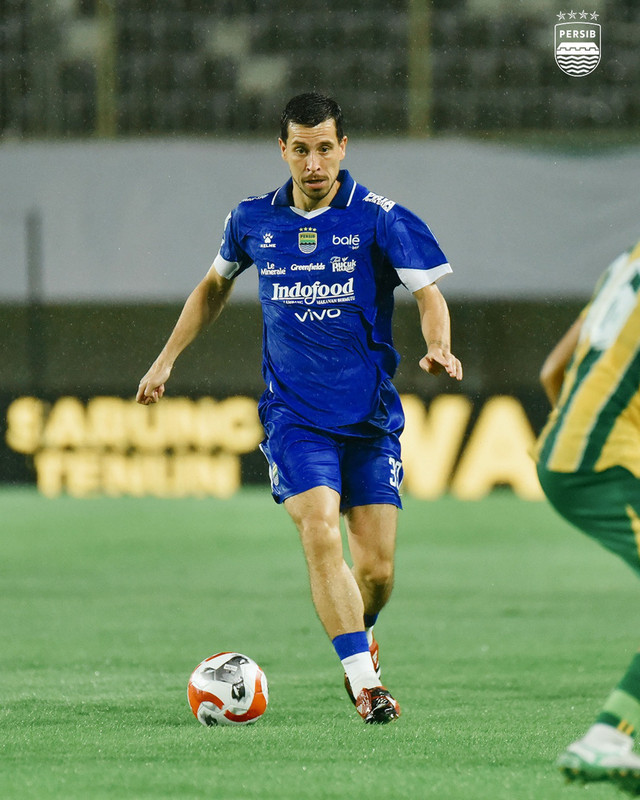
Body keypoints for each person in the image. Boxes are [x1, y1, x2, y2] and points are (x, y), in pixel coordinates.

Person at [136, 92, 462, 725]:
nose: (314, 163)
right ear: (283, 150)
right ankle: (366, 685)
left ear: (343, 147)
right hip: (294, 415)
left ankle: (359, 632)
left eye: (325, 148)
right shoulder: (252, 219)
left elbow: (428, 295)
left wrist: (439, 347)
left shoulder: (382, 219)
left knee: (377, 570)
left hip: (368, 419)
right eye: (301, 149)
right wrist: (165, 358)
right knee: (319, 529)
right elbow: (213, 288)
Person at [535, 237, 640, 790]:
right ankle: (607, 738)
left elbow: (554, 370)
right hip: (600, 459)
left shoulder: (626, 263)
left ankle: (612, 737)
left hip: (572, 450)